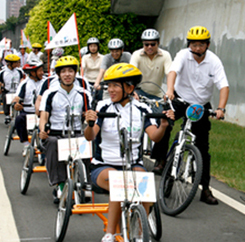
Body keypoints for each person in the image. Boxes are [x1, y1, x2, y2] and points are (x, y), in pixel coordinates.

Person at [84, 63, 174, 242]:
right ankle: (110, 233)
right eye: (108, 86)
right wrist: (89, 124)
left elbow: (155, 137)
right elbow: (90, 136)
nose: (110, 90)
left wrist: (163, 125)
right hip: (103, 166)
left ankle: (140, 231)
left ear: (130, 88)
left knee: (145, 184)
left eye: (115, 85)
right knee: (120, 182)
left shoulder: (142, 109)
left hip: (132, 164)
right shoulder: (103, 106)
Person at [164, 26, 229, 205]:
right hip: (180, 99)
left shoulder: (214, 61)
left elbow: (223, 86)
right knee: (164, 122)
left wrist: (221, 108)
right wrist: (170, 90)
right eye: (194, 44)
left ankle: (205, 189)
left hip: (200, 106)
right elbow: (173, 72)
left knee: (202, 147)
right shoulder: (183, 55)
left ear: (207, 45)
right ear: (189, 45)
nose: (197, 48)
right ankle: (162, 161)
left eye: (201, 45)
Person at [39, 56, 91, 203]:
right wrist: (42, 130)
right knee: (54, 143)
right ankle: (60, 184)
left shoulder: (84, 94)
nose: (67, 74)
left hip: (76, 132)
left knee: (86, 143)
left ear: (75, 73)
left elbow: (89, 114)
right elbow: (44, 116)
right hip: (56, 133)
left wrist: (89, 119)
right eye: (63, 71)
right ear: (58, 75)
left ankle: (85, 182)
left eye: (70, 71)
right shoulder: (50, 93)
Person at [130, 29, 172, 173]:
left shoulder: (165, 55)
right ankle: (134, 156)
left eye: (152, 44)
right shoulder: (137, 55)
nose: (149, 47)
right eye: (146, 44)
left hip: (157, 95)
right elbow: (131, 72)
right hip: (139, 92)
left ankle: (160, 159)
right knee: (137, 121)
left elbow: (170, 73)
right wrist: (132, 91)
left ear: (158, 43)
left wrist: (170, 90)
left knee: (166, 122)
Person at [13, 59, 44, 156]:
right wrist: (16, 104)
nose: (42, 73)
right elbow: (17, 98)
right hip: (28, 112)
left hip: (43, 112)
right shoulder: (25, 83)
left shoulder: (46, 82)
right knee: (19, 119)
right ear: (32, 72)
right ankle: (26, 144)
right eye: (40, 71)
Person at [0, 54, 24, 124]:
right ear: (10, 63)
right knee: (5, 97)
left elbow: (22, 81)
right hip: (7, 91)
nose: (17, 64)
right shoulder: (3, 72)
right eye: (15, 62)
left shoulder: (19, 71)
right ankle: (7, 114)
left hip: (17, 92)